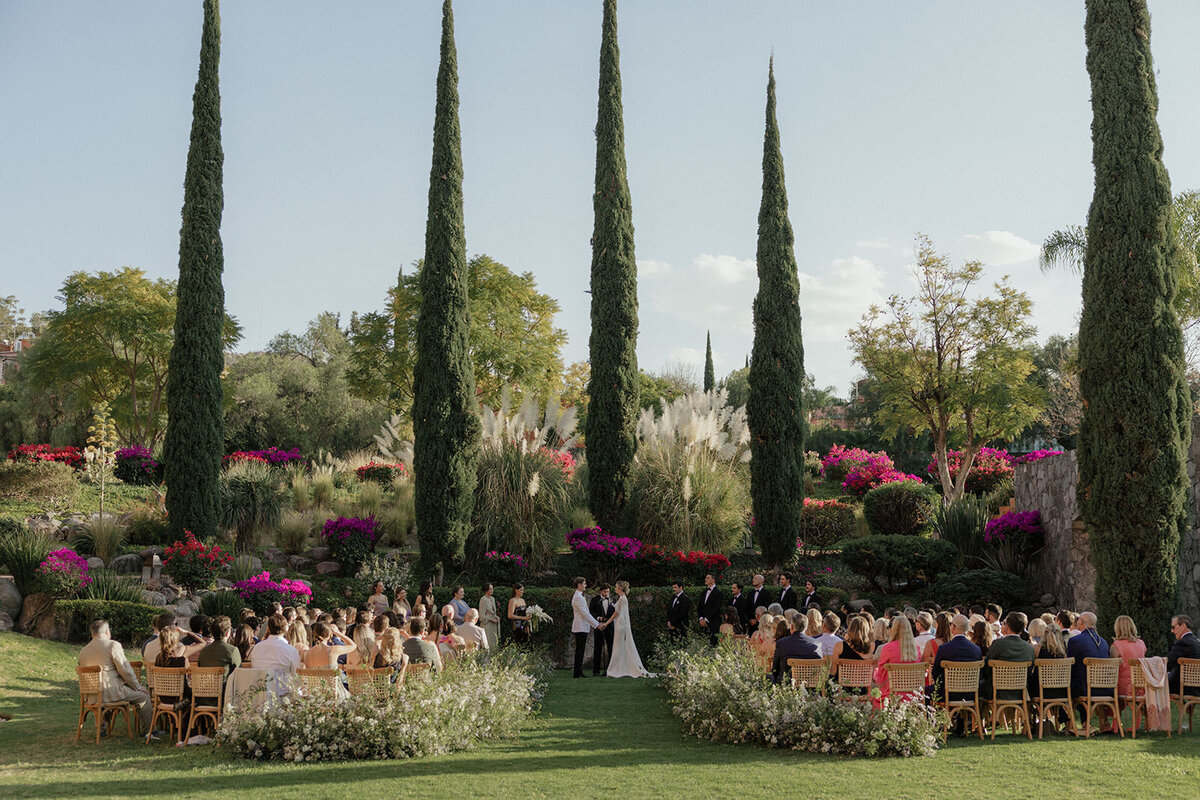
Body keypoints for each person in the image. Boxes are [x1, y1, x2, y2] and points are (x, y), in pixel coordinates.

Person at [78, 619, 153, 734]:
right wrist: (137, 686)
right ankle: (148, 731)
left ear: (92, 633)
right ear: (107, 632)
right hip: (111, 692)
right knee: (143, 696)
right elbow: (126, 671)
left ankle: (102, 727)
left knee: (114, 692)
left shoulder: (83, 651)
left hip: (91, 695)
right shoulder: (113, 645)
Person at [981, 612, 1035, 701]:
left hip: (997, 691)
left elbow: (986, 668)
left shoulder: (998, 644)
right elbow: (1029, 671)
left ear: (1007, 627)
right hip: (1021, 691)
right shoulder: (1029, 648)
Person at [931, 614, 982, 705]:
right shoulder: (976, 650)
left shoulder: (944, 648)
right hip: (970, 694)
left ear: (953, 627)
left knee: (924, 692)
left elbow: (936, 673)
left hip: (947, 693)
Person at [873, 616, 923, 708]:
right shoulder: (916, 648)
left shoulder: (888, 648)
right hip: (913, 695)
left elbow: (881, 674)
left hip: (892, 694)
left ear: (893, 629)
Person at [607, 581, 653, 678]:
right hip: (621, 624)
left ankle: (619, 669)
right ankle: (621, 667)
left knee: (619, 647)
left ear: (620, 588)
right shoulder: (622, 598)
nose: (614, 588)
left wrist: (607, 623)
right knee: (619, 647)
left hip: (621, 625)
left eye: (616, 587)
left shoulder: (622, 599)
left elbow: (616, 613)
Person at [1066, 611, 1110, 700]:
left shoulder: (1075, 641)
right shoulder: (1104, 642)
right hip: (1105, 687)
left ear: (1081, 622)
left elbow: (1070, 666)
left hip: (1084, 688)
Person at [250, 614, 301, 684]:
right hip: (283, 692)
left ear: (268, 628)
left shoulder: (257, 648)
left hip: (259, 691)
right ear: (286, 628)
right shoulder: (290, 650)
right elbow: (296, 677)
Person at [771, 614, 820, 685]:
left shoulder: (781, 643)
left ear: (791, 627)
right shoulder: (817, 644)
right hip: (811, 685)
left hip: (786, 684)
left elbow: (775, 669)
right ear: (806, 628)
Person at [1110, 615, 1147, 701]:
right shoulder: (1141, 643)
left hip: (1124, 686)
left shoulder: (1116, 646)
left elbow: (1112, 670)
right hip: (1141, 686)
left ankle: (1113, 714)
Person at [831, 615, 873, 690]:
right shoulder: (871, 646)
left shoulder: (839, 645)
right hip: (862, 688)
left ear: (850, 629)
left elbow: (833, 672)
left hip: (842, 689)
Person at [571, 577, 601, 678]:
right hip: (580, 626)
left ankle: (578, 671)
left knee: (581, 650)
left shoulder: (579, 596)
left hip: (582, 626)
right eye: (584, 583)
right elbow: (585, 613)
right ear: (579, 584)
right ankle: (577, 672)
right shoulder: (578, 597)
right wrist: (596, 624)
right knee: (580, 650)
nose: (585, 585)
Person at [197, 616, 242, 681]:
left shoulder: (204, 651)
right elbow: (239, 673)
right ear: (227, 633)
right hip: (225, 689)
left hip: (206, 689)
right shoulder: (232, 650)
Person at [1168, 614, 1200, 696]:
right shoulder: (1197, 643)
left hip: (1181, 687)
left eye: (1173, 627)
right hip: (1196, 687)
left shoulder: (1182, 643)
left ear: (1183, 625)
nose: (1172, 631)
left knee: (1152, 684)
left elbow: (1168, 664)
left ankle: (1150, 708)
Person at [590, 584, 616, 675]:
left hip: (610, 626)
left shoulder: (613, 599)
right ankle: (596, 671)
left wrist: (608, 621)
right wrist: (598, 619)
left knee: (611, 648)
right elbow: (591, 613)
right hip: (599, 626)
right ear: (601, 591)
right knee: (597, 648)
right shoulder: (594, 600)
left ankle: (610, 670)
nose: (606, 593)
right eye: (605, 592)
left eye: (608, 592)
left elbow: (615, 613)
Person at [696, 574, 724, 645]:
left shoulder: (718, 593)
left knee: (713, 643)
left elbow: (716, 608)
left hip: (713, 623)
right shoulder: (703, 593)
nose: (705, 579)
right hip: (703, 624)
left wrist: (706, 619)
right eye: (706, 578)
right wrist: (701, 618)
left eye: (708, 578)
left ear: (713, 580)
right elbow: (699, 607)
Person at [478, 583, 501, 652]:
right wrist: (491, 619)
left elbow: (493, 612)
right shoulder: (483, 600)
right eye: (490, 589)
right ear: (486, 590)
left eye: (492, 589)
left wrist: (496, 617)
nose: (492, 590)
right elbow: (481, 616)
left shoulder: (492, 599)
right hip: (487, 625)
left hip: (493, 626)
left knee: (494, 644)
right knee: (487, 644)